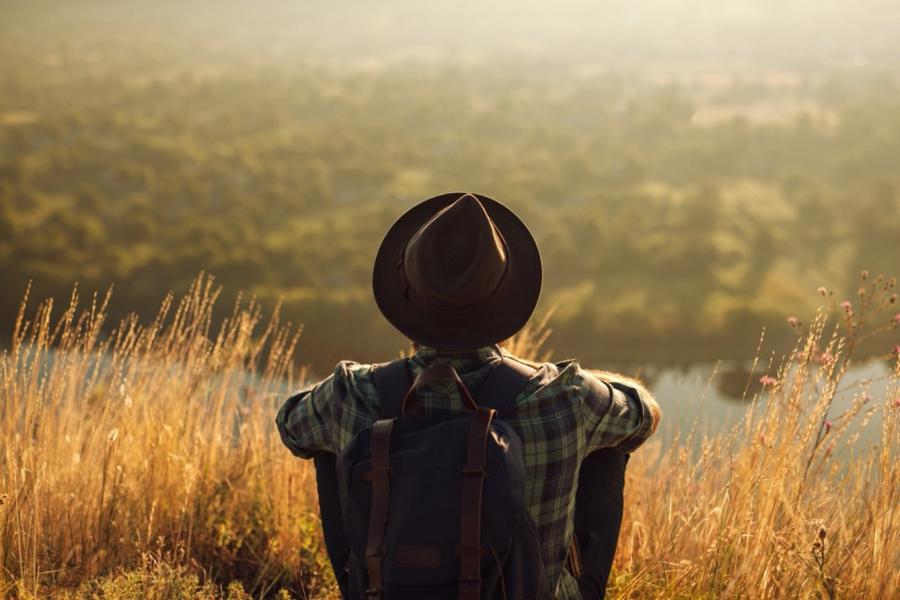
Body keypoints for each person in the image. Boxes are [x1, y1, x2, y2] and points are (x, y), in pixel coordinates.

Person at [276, 192, 660, 599]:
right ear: (505, 299)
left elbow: (291, 425)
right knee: (610, 446)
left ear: (407, 299)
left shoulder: (349, 393)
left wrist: (353, 395)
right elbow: (644, 415)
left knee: (329, 446)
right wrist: (581, 379)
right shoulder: (567, 396)